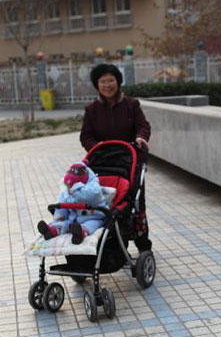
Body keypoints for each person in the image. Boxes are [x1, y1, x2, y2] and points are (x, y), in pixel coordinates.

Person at [80, 63, 152, 252]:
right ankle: (113, 245)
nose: (107, 85)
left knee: (135, 204)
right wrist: (96, 148)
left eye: (111, 80)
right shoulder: (91, 109)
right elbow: (85, 136)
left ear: (118, 82)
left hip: (130, 162)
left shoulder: (131, 104)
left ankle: (143, 245)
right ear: (97, 85)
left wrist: (140, 137)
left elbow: (143, 126)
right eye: (103, 81)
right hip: (103, 164)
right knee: (105, 205)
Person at [37, 161, 108, 245]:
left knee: (92, 224)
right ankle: (52, 230)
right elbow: (62, 203)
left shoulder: (93, 189)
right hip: (73, 220)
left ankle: (82, 232)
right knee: (64, 223)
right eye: (68, 186)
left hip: (93, 217)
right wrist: (59, 216)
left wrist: (76, 189)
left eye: (71, 186)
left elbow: (92, 196)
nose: (69, 188)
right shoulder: (66, 191)